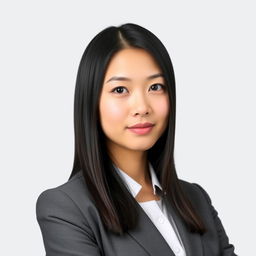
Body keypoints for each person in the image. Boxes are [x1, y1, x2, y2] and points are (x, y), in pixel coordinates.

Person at [36, 23, 237, 256]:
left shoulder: (196, 199)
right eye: (120, 90)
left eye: (155, 87)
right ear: (91, 101)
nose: (142, 107)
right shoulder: (66, 209)